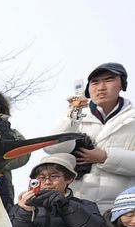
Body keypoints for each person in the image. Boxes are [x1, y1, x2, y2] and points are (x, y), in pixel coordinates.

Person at [46, 62, 135, 212]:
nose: (101, 87)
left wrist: (105, 157)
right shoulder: (76, 116)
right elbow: (51, 147)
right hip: (75, 207)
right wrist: (72, 115)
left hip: (121, 210)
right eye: (95, 82)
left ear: (122, 84)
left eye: (109, 80)